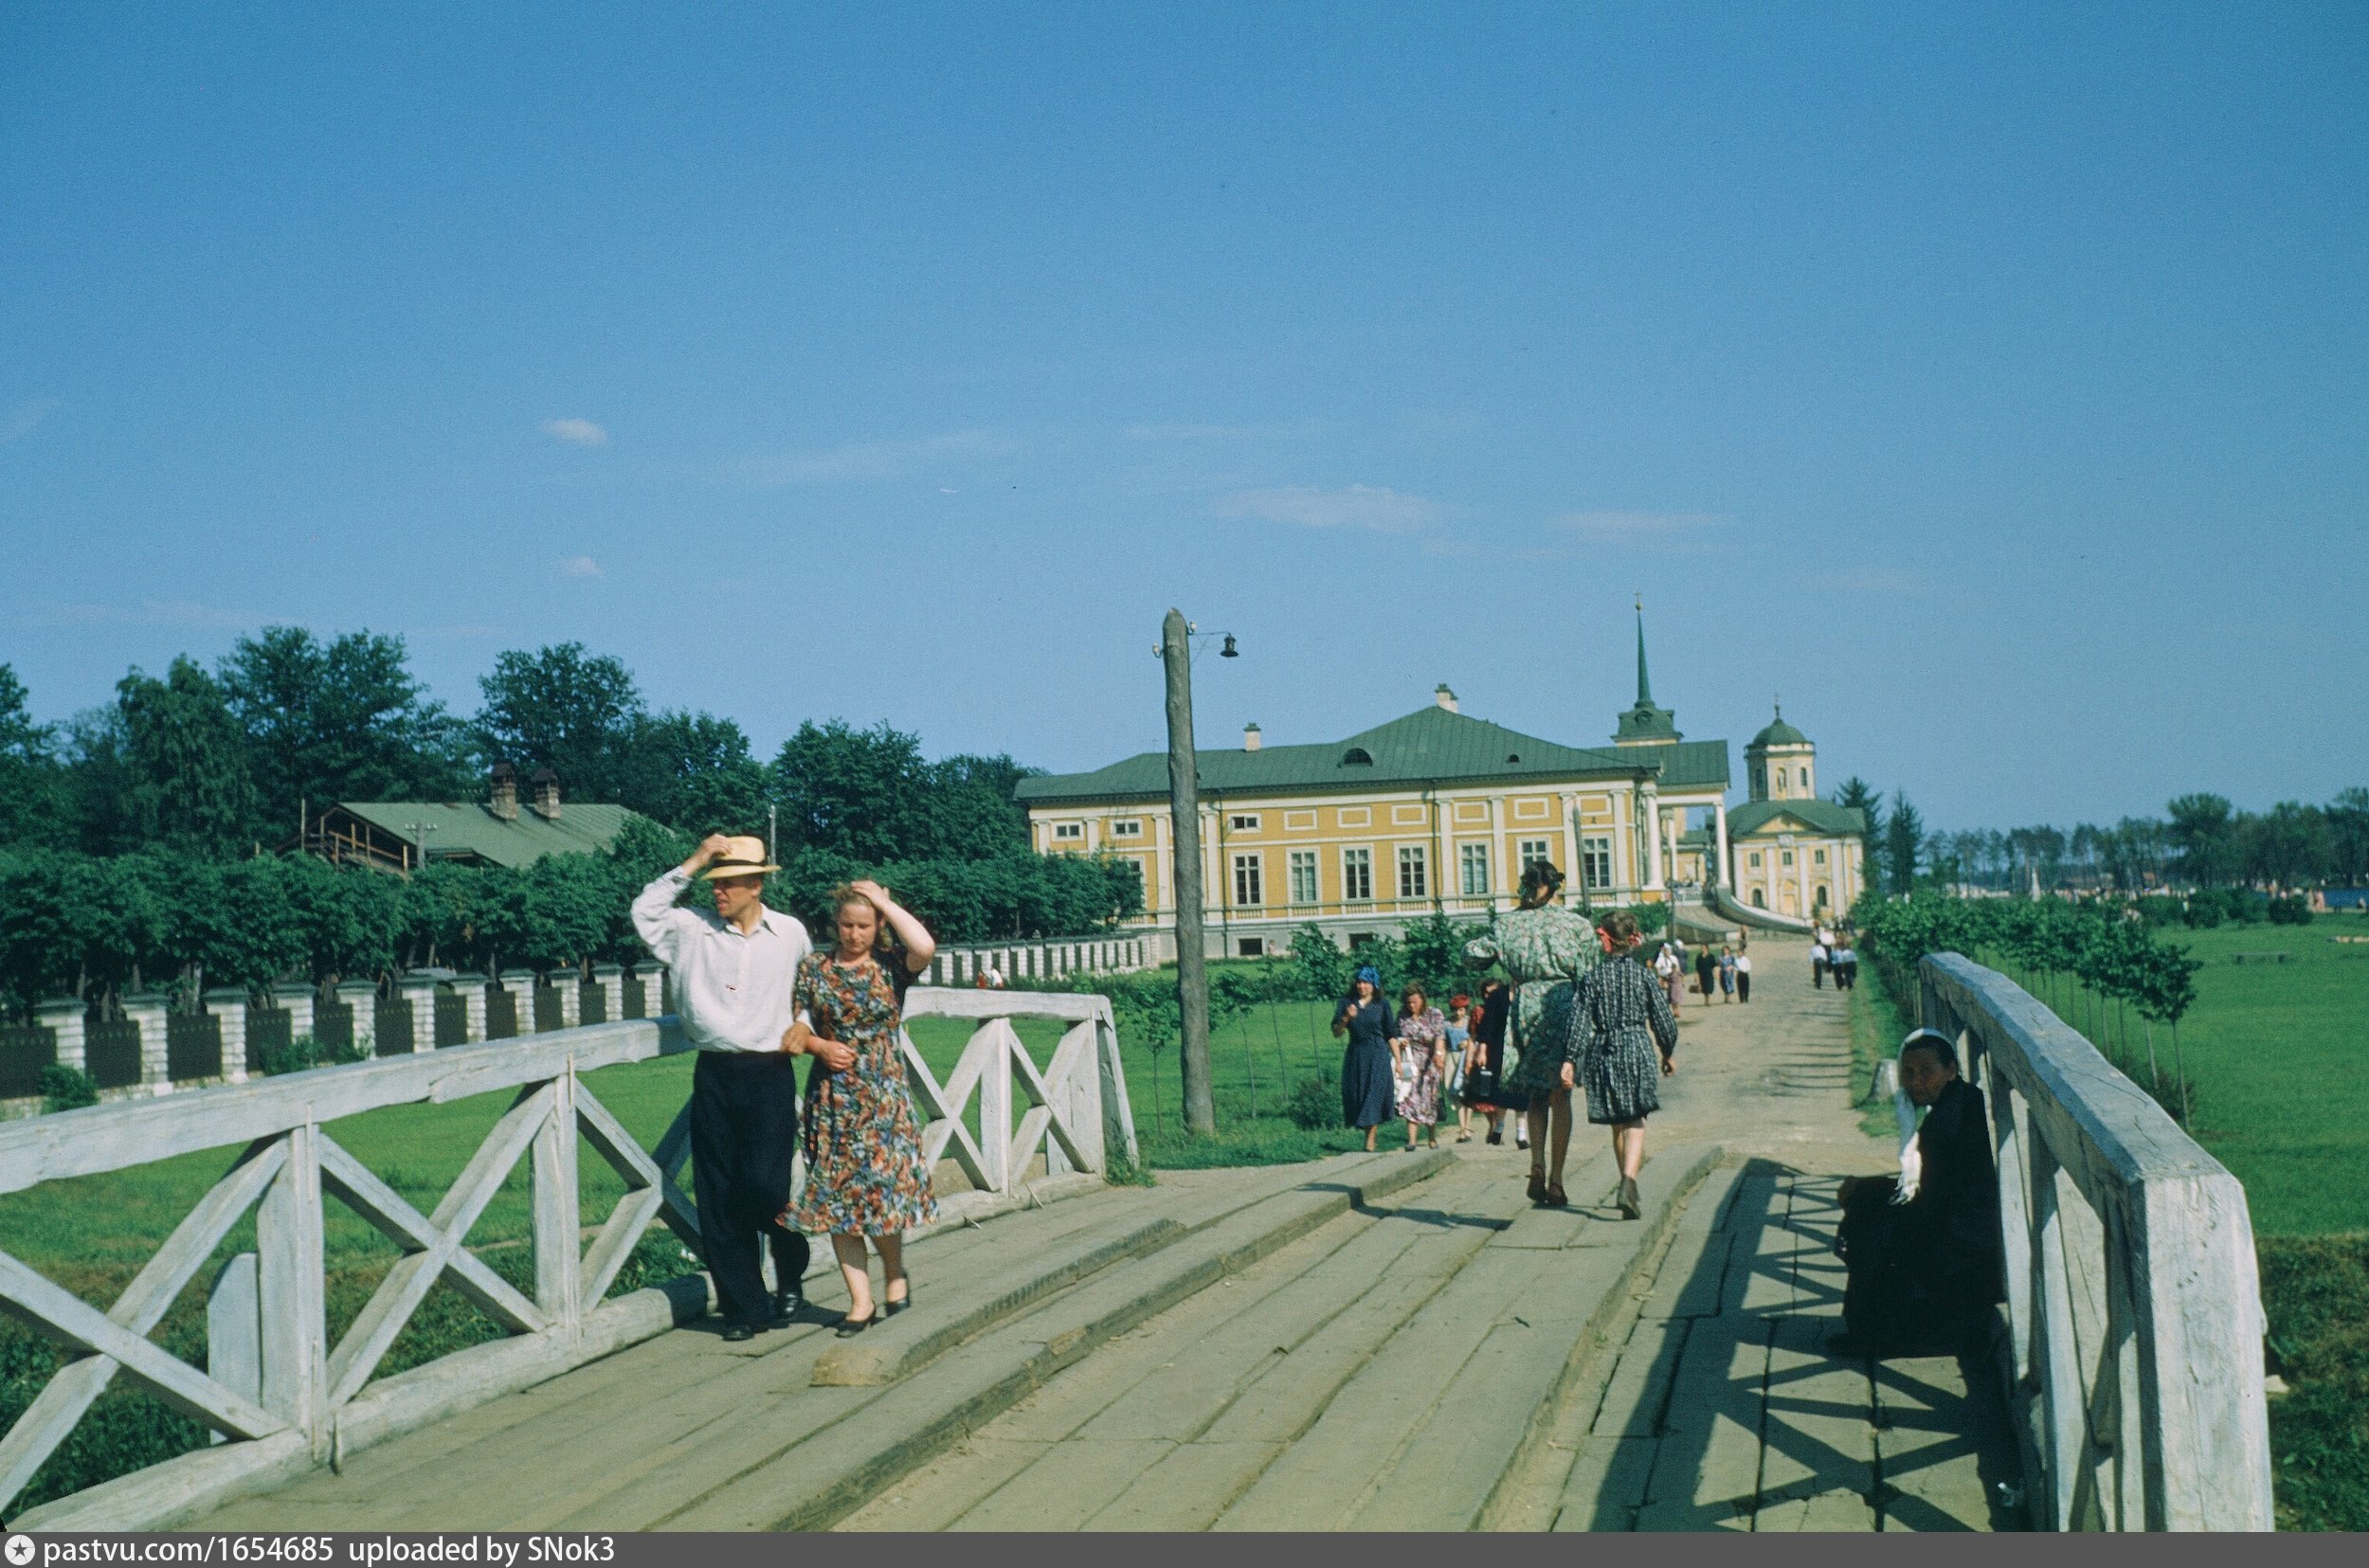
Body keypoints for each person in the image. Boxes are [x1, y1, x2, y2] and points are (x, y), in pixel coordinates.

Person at [631, 834, 815, 1343]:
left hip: (771, 1071)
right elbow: (645, 909)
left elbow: (810, 992)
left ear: (757, 885)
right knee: (718, 1195)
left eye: (729, 883)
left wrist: (803, 1022)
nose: (718, 892)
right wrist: (695, 861)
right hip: (714, 1073)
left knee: (767, 1188)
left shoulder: (791, 934)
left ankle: (789, 1253)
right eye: (715, 883)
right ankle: (743, 1309)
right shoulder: (690, 931)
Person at [787, 880, 940, 1337]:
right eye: (846, 925)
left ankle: (894, 1272)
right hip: (832, 1096)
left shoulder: (892, 966)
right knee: (837, 1200)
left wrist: (886, 903)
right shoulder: (813, 969)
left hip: (884, 1095)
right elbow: (794, 1026)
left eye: (864, 925)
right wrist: (818, 1045)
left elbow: (925, 946)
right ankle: (860, 1301)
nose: (854, 934)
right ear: (835, 925)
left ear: (877, 927)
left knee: (881, 1196)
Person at [1829, 1030, 2005, 1359]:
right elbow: (1928, 1190)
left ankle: (1875, 1334)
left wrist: (1865, 1193)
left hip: (1969, 1246)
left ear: (1951, 1070)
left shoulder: (1950, 1118)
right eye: (1908, 1073)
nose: (1917, 1082)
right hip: (1959, 1228)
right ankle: (1874, 1330)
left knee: (1869, 1228)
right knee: (1868, 1209)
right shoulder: (1958, 1101)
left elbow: (1930, 1198)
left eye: (1927, 1072)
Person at [1464, 861, 1600, 1208]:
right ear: (1555, 888)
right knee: (1561, 1095)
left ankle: (1536, 1163)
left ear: (1526, 886)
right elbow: (1589, 975)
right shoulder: (1577, 925)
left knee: (1535, 1095)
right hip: (1562, 1004)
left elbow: (1473, 955)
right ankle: (1556, 1179)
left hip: (1524, 1005)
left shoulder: (1508, 923)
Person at [1563, 910, 1679, 1219]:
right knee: (1635, 1119)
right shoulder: (1643, 975)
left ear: (1609, 940)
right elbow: (1664, 1020)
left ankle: (1626, 1182)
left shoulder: (1592, 977)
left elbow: (1578, 1021)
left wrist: (1570, 1059)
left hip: (1603, 1049)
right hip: (1636, 1048)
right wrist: (1667, 1053)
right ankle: (1629, 1181)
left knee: (1617, 1119)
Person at [1331, 964, 1396, 1152]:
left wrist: (1399, 1060)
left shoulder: (1382, 1004)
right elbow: (1336, 1032)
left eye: (1366, 982)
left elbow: (1390, 1033)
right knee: (1356, 1094)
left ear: (1374, 984)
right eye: (1359, 982)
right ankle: (1367, 1133)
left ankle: (1370, 1139)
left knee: (1374, 1093)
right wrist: (1346, 1018)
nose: (1361, 986)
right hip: (1356, 1054)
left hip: (1378, 1053)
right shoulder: (1346, 1003)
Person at [1461, 977, 1524, 1146]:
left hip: (1521, 1049)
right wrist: (1477, 1053)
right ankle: (1497, 1128)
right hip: (1497, 1049)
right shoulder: (1495, 1000)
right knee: (1499, 1091)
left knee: (1521, 1093)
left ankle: (1520, 1134)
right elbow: (1480, 1031)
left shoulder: (1527, 993)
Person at [1391, 984, 1447, 1151]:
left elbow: (1440, 1036)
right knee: (1410, 1097)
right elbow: (1396, 1035)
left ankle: (1432, 1138)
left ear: (1422, 1000)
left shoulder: (1434, 1014)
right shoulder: (1402, 1016)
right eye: (1409, 1002)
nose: (1411, 1006)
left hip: (1430, 1060)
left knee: (1429, 1098)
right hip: (1411, 1060)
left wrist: (1438, 1054)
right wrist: (1402, 1042)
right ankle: (1412, 1140)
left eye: (1415, 1002)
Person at [1443, 994, 1474, 1143]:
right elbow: (1442, 1042)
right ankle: (1462, 1127)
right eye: (1456, 1010)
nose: (1458, 1013)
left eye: (1461, 1010)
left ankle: (1467, 1127)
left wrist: (1468, 1043)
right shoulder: (1447, 1024)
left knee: (1467, 1091)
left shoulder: (1470, 1022)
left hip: (1466, 1058)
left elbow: (1476, 1039)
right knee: (1454, 1091)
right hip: (1452, 1057)